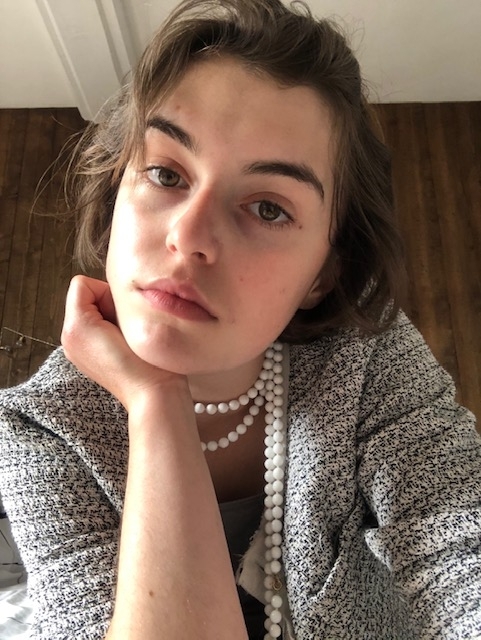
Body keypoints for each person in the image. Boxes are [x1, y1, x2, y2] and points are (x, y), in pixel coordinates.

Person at [0, 0, 480, 638]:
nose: (189, 236)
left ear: (323, 274)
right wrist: (156, 403)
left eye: (268, 208)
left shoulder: (372, 362)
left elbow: (458, 541)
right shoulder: (41, 427)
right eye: (165, 172)